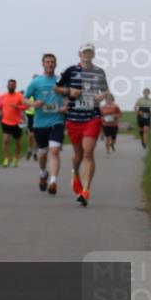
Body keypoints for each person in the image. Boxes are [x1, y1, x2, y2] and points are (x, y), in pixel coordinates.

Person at [55, 43, 109, 207]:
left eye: (90, 52)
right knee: (78, 155)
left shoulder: (99, 72)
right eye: (84, 52)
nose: (87, 54)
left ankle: (86, 191)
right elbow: (57, 88)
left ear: (93, 54)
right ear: (79, 54)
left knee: (88, 153)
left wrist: (102, 96)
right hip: (74, 118)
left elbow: (105, 90)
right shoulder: (71, 71)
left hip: (92, 117)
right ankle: (75, 173)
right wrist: (69, 92)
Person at [24, 54, 68, 195]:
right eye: (47, 62)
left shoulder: (61, 81)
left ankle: (53, 181)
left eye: (52, 62)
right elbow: (24, 99)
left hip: (57, 121)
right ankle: (43, 173)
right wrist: (33, 103)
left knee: (54, 151)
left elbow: (68, 97)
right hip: (40, 123)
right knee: (42, 153)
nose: (49, 64)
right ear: (43, 64)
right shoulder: (36, 82)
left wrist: (65, 106)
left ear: (55, 64)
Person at [0, 79, 27, 167]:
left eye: (13, 85)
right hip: (5, 121)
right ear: (7, 86)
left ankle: (15, 158)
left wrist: (17, 106)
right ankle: (6, 158)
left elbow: (26, 106)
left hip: (16, 122)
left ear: (15, 86)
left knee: (17, 142)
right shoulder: (3, 96)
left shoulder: (19, 96)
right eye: (9, 85)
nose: (11, 86)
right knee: (5, 140)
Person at [25, 75, 38, 161]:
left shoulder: (41, 91)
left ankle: (36, 152)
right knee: (31, 135)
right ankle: (29, 149)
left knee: (36, 135)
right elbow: (24, 100)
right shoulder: (29, 90)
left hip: (39, 115)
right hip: (30, 115)